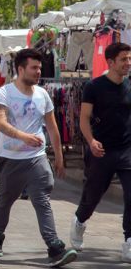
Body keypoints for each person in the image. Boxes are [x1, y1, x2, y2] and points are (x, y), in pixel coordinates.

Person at [0, 49, 77, 267]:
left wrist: (59, 156)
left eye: (39, 68)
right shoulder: (4, 93)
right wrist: (23, 136)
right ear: (20, 69)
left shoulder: (43, 94)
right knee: (6, 200)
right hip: (9, 157)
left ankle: (54, 246)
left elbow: (53, 127)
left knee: (42, 198)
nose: (39, 72)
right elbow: (0, 122)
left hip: (36, 156)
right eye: (34, 68)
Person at [70, 42, 131, 261]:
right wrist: (91, 141)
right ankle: (79, 221)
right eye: (124, 59)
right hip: (101, 150)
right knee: (92, 196)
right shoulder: (94, 87)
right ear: (111, 62)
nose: (128, 63)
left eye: (130, 58)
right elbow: (84, 118)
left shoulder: (130, 85)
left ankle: (129, 242)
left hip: (126, 150)